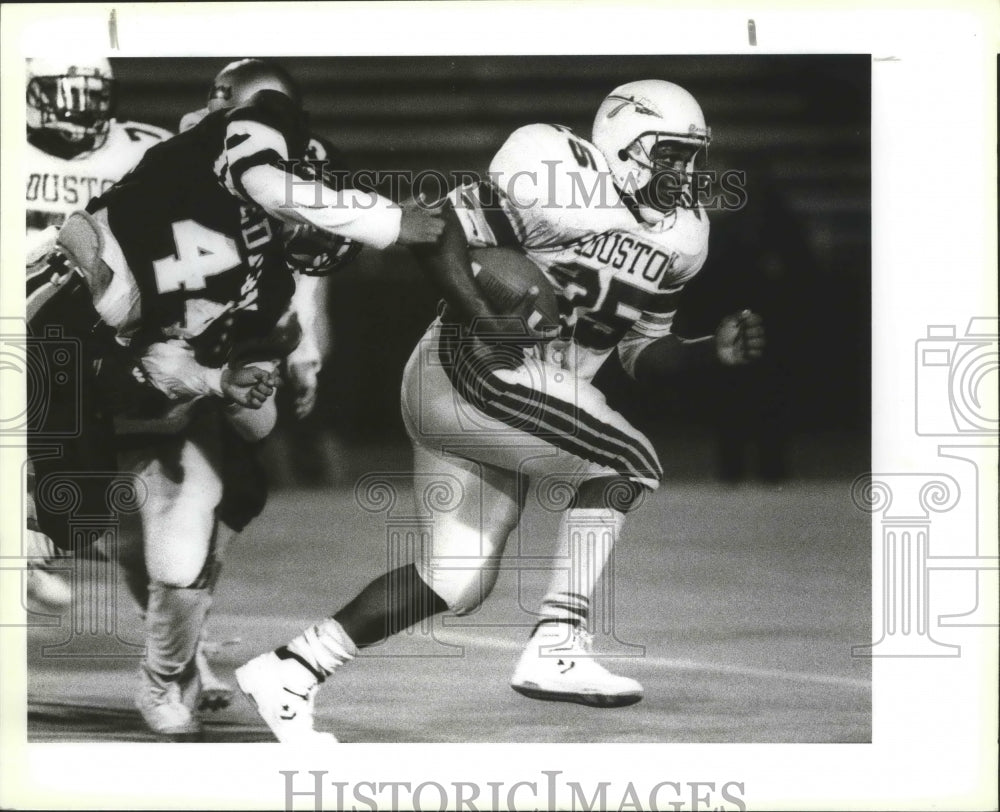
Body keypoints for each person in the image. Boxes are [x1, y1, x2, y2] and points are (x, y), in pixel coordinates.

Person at [235, 79, 765, 743]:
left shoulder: (686, 235)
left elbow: (639, 350)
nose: (684, 172)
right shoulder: (557, 169)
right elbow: (439, 231)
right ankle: (559, 639)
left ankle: (291, 668)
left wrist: (705, 352)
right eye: (671, 153)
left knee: (454, 579)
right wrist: (488, 316)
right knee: (628, 457)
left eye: (693, 156)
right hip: (474, 364)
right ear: (625, 144)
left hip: (513, 396)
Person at [29, 57, 444, 738]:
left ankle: (170, 674)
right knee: (57, 521)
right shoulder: (212, 175)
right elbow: (124, 328)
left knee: (179, 548)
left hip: (140, 395)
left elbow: (217, 365)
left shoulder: (258, 261)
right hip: (67, 369)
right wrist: (389, 222)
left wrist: (251, 371)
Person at [24, 56, 172, 610]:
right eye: (64, 93)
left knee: (86, 513)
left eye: (88, 94)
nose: (77, 108)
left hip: (91, 337)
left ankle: (32, 545)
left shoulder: (141, 148)